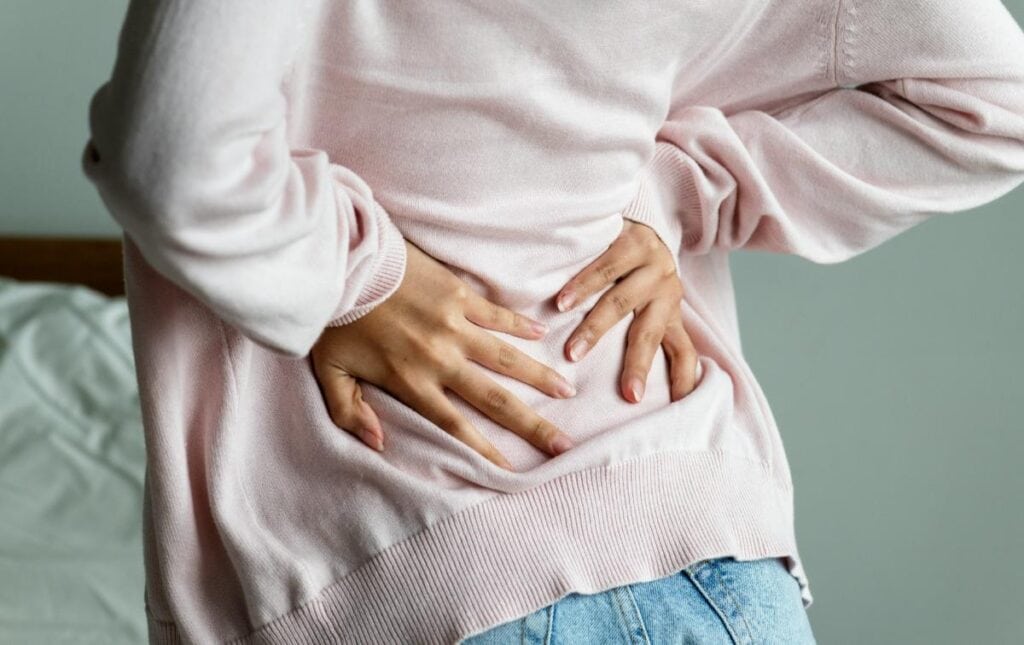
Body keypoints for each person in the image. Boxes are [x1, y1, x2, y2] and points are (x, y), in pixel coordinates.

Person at [80, 0, 1024, 642]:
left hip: (400, 569)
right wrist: (673, 191)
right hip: (713, 557)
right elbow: (996, 98)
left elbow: (176, 159)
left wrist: (356, 277)